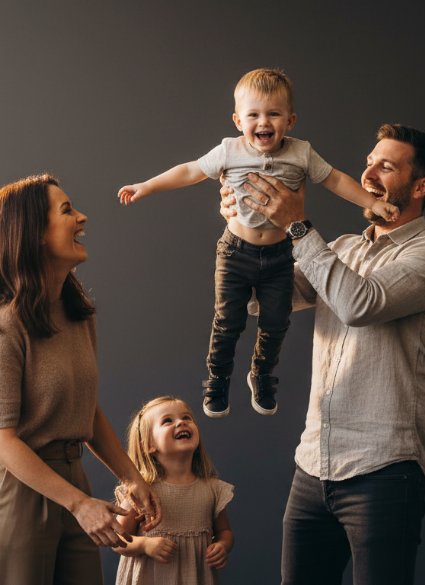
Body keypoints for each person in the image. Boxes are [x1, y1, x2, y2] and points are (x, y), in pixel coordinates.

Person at [221, 124, 425, 584]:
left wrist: (296, 226)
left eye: (386, 166)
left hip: (385, 471)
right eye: (369, 161)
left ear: (420, 187)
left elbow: (358, 304)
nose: (367, 173)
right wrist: (244, 229)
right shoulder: (343, 248)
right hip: (313, 467)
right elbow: (256, 300)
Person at [117, 68, 399, 419]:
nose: (263, 122)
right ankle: (217, 380)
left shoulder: (301, 153)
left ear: (291, 120)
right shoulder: (229, 151)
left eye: (274, 114)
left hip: (281, 254)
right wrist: (146, 186)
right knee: (227, 321)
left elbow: (336, 180)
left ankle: (262, 375)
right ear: (238, 120)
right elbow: (189, 171)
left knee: (276, 321)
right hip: (236, 252)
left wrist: (370, 203)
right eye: (253, 115)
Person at [0, 174, 162, 585]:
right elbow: (0, 439)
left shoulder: (76, 314)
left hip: (72, 481)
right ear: (31, 234)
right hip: (13, 490)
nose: (82, 217)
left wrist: (131, 476)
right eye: (67, 210)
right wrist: (80, 504)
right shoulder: (0, 322)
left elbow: (85, 410)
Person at [113, 396, 235, 585]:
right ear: (149, 445)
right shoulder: (141, 491)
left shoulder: (212, 489)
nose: (181, 423)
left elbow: (224, 530)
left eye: (187, 418)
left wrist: (222, 546)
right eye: (168, 421)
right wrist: (144, 545)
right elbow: (117, 538)